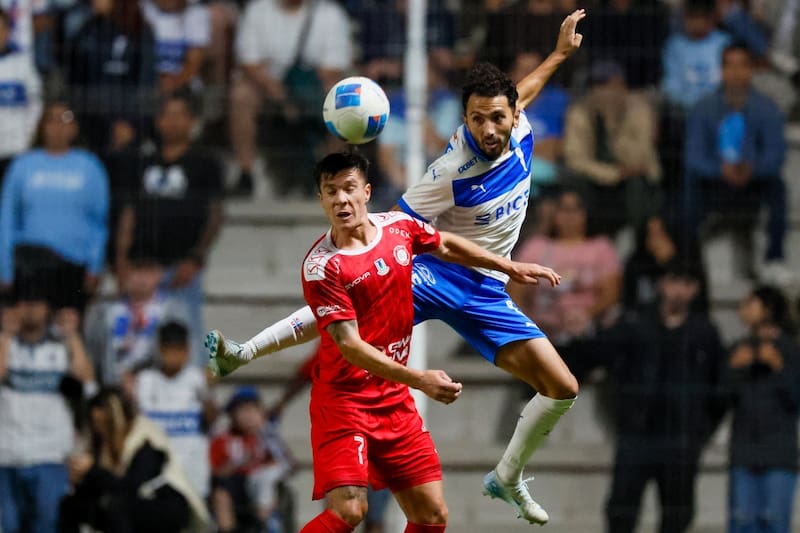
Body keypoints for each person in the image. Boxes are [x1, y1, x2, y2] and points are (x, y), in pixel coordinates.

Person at [207, 11, 586, 525]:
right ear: (465, 118)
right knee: (351, 305)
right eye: (477, 119)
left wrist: (560, 54)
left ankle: (508, 477)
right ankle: (245, 351)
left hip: (486, 289)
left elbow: (528, 87)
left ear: (512, 114)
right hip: (437, 273)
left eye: (498, 117)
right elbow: (395, 234)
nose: (489, 129)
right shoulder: (450, 171)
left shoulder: (517, 122)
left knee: (562, 387)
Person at [269, 151, 558, 532]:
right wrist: (420, 379)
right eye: (331, 191)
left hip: (393, 401)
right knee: (349, 512)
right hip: (344, 401)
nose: (341, 199)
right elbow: (350, 346)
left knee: (431, 515)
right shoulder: (323, 266)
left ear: (366, 191)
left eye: (349, 188)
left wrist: (508, 265)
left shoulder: (398, 228)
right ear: (321, 199)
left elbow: (447, 245)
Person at [604, 259, 727, 533]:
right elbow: (610, 366)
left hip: (681, 438)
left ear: (695, 289)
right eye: (674, 281)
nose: (678, 290)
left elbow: (720, 386)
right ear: (662, 283)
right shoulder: (635, 323)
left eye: (687, 283)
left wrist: (701, 428)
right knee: (621, 510)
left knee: (677, 514)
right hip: (638, 432)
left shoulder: (704, 332)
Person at [116, 89, 224, 364]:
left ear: (191, 121)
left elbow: (215, 214)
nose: (174, 122)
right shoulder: (141, 162)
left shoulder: (205, 163)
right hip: (142, 268)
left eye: (181, 115)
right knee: (136, 344)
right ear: (158, 120)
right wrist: (121, 261)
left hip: (181, 270)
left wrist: (196, 258)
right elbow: (129, 214)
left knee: (188, 338)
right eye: (168, 115)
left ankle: (196, 395)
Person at [684, 43, 789, 284]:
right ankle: (688, 258)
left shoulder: (767, 109)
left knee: (778, 187)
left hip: (753, 184)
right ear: (721, 70)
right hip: (716, 185)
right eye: (729, 65)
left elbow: (775, 155)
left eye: (742, 65)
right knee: (690, 182)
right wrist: (720, 169)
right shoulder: (704, 108)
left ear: (751, 70)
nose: (736, 72)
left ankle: (775, 259)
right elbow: (694, 157)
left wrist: (752, 168)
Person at [0, 101, 109, 315]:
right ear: (41, 126)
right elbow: (7, 219)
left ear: (75, 127)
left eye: (65, 119)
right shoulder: (22, 165)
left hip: (73, 265)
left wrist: (95, 265)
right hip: (29, 265)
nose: (58, 126)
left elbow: (99, 222)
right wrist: (5, 268)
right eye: (51, 119)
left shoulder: (90, 166)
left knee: (68, 330)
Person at [0, 293, 94, 533]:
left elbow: (88, 384)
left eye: (36, 303)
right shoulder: (5, 343)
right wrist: (6, 335)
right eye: (24, 302)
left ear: (47, 309)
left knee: (47, 524)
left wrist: (72, 335)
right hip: (7, 454)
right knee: (8, 526)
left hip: (50, 454)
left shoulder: (61, 346)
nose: (30, 309)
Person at [58, 387, 210, 533]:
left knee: (117, 507)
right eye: (95, 423)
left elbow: (130, 488)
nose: (99, 429)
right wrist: (79, 480)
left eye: (103, 423)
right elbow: (103, 485)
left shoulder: (146, 442)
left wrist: (92, 470)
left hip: (162, 505)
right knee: (71, 504)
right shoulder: (103, 444)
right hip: (130, 504)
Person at [508, 188, 622, 379]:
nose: (569, 217)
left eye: (575, 210)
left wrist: (584, 316)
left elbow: (611, 294)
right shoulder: (536, 247)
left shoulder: (601, 248)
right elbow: (515, 292)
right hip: (543, 331)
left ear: (586, 213)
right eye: (563, 210)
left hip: (588, 332)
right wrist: (530, 325)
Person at [724, 286, 800, 533]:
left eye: (750, 304)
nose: (743, 309)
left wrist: (779, 367)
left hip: (778, 453)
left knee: (774, 523)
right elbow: (720, 398)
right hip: (744, 451)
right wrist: (733, 371)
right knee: (742, 522)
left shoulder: (790, 350)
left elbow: (796, 400)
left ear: (768, 309)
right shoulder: (738, 350)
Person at [563, 60, 662, 236]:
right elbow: (575, 160)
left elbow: (640, 160)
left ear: (621, 86)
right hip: (598, 182)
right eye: (597, 85)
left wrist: (613, 124)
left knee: (638, 185)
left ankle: (633, 236)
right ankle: (591, 239)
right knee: (576, 183)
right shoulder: (580, 113)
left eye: (608, 85)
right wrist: (613, 174)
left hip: (635, 184)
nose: (603, 92)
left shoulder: (639, 109)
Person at [131, 320, 216, 499]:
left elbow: (212, 420)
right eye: (169, 350)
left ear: (187, 350)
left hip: (191, 467)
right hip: (156, 467)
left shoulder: (196, 380)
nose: (174, 356)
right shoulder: (145, 380)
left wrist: (208, 394)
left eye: (179, 350)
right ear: (160, 349)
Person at [83, 256, 191, 385]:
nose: (142, 278)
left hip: (157, 390)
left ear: (160, 274)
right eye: (136, 271)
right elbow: (91, 352)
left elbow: (185, 355)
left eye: (149, 272)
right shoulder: (104, 310)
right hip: (113, 387)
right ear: (125, 273)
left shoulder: (174, 310)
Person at [210, 386, 296, 533]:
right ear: (232, 415)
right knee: (220, 496)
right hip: (234, 484)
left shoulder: (268, 437)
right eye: (242, 411)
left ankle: (265, 525)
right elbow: (216, 472)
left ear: (261, 413)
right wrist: (237, 462)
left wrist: (271, 466)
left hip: (261, 486)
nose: (248, 416)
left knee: (272, 486)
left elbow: (289, 464)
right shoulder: (223, 439)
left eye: (252, 410)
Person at [0, 8, 42, 184]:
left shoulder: (22, 64)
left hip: (17, 150)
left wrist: (26, 138)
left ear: (8, 31)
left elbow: (36, 104)